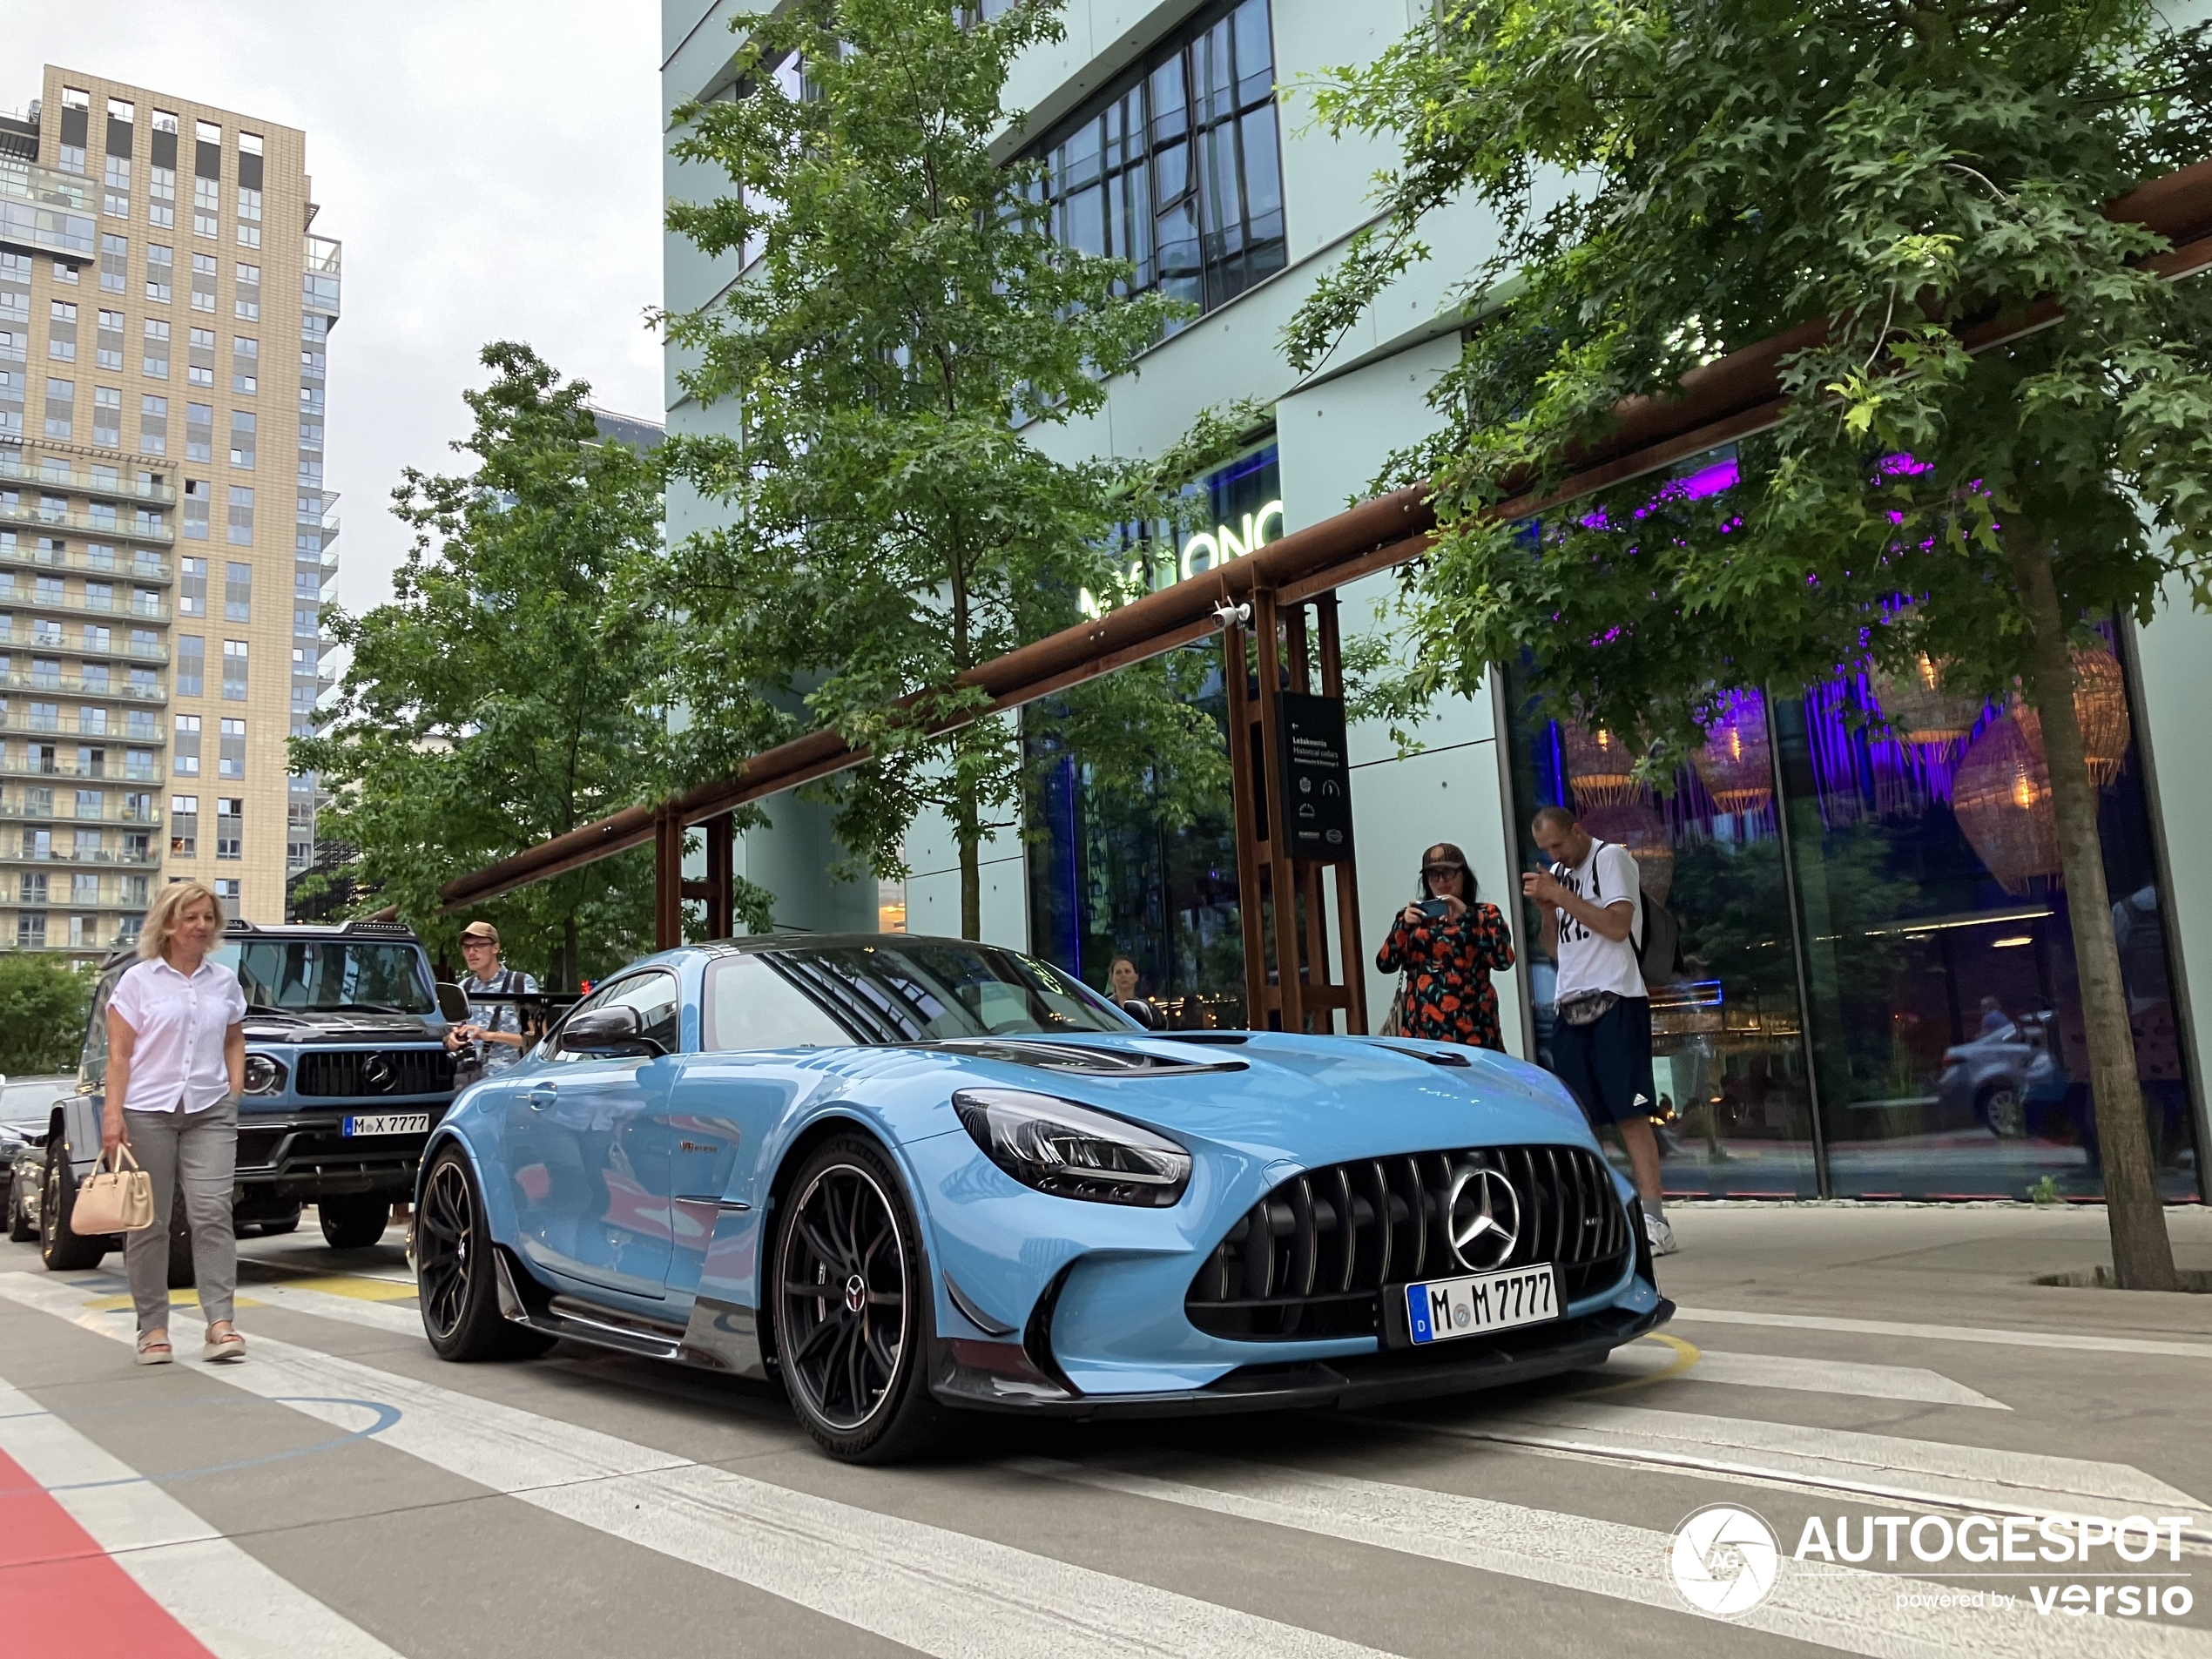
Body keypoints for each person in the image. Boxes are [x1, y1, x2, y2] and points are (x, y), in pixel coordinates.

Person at [103, 880, 249, 1365]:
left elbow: (233, 1038)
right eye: (191, 917)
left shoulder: (223, 981)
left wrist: (234, 1088)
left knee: (212, 1213)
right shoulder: (138, 981)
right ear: (168, 923)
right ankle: (153, 1329)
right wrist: (113, 1115)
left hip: (210, 1109)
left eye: (208, 917)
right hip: (147, 1112)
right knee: (150, 1222)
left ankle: (221, 1323)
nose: (202, 926)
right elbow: (120, 1054)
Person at [1522, 805, 1677, 1256]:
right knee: (1583, 1117)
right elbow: (1555, 950)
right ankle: (1601, 1213)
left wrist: (1560, 892)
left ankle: (1654, 1218)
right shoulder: (1557, 874)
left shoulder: (1610, 859)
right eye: (1546, 850)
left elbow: (1616, 925)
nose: (1555, 855)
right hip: (1571, 1003)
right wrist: (1548, 908)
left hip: (1617, 998)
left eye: (1558, 844)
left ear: (1577, 830)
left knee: (1629, 1111)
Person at [1375, 843, 1516, 1050]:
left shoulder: (1485, 915)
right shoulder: (1413, 918)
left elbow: (1504, 960)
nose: (1441, 881)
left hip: (1474, 1034)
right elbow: (1385, 963)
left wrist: (1467, 917)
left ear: (1464, 875)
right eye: (1433, 875)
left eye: (1448, 873)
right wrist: (1404, 926)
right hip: (1421, 1036)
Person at [442, 921, 539, 1076]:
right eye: (466, 947)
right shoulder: (463, 987)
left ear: (496, 948)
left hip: (514, 1080)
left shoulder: (520, 983)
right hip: (473, 1082)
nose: (471, 952)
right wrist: (451, 1039)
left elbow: (538, 1039)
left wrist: (489, 1035)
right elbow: (451, 1032)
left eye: (479, 945)